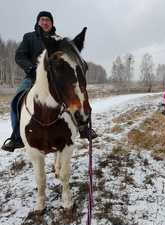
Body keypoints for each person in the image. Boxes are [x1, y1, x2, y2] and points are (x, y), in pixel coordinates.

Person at [1, 11, 97, 153]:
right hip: (33, 77)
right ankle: (16, 136)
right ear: (38, 22)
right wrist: (31, 68)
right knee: (15, 99)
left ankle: (83, 127)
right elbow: (20, 56)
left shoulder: (58, 40)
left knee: (74, 94)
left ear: (52, 23)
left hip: (55, 78)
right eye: (42, 20)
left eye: (48, 20)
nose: (45, 22)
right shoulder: (29, 37)